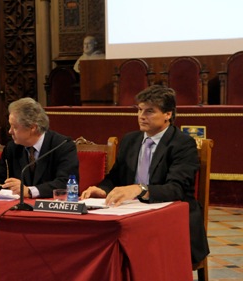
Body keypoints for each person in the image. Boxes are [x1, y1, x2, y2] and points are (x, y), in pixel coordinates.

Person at [80, 85, 209, 265]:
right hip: (131, 213)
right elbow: (115, 178)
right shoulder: (130, 140)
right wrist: (101, 189)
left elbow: (176, 189)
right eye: (139, 110)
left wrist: (139, 190)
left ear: (168, 114)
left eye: (149, 111)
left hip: (170, 218)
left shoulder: (182, 144)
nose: (141, 116)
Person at [0, 97, 78, 198]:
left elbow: (65, 183)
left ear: (32, 127)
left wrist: (30, 191)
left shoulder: (62, 145)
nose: (10, 131)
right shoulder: (12, 147)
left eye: (15, 127)